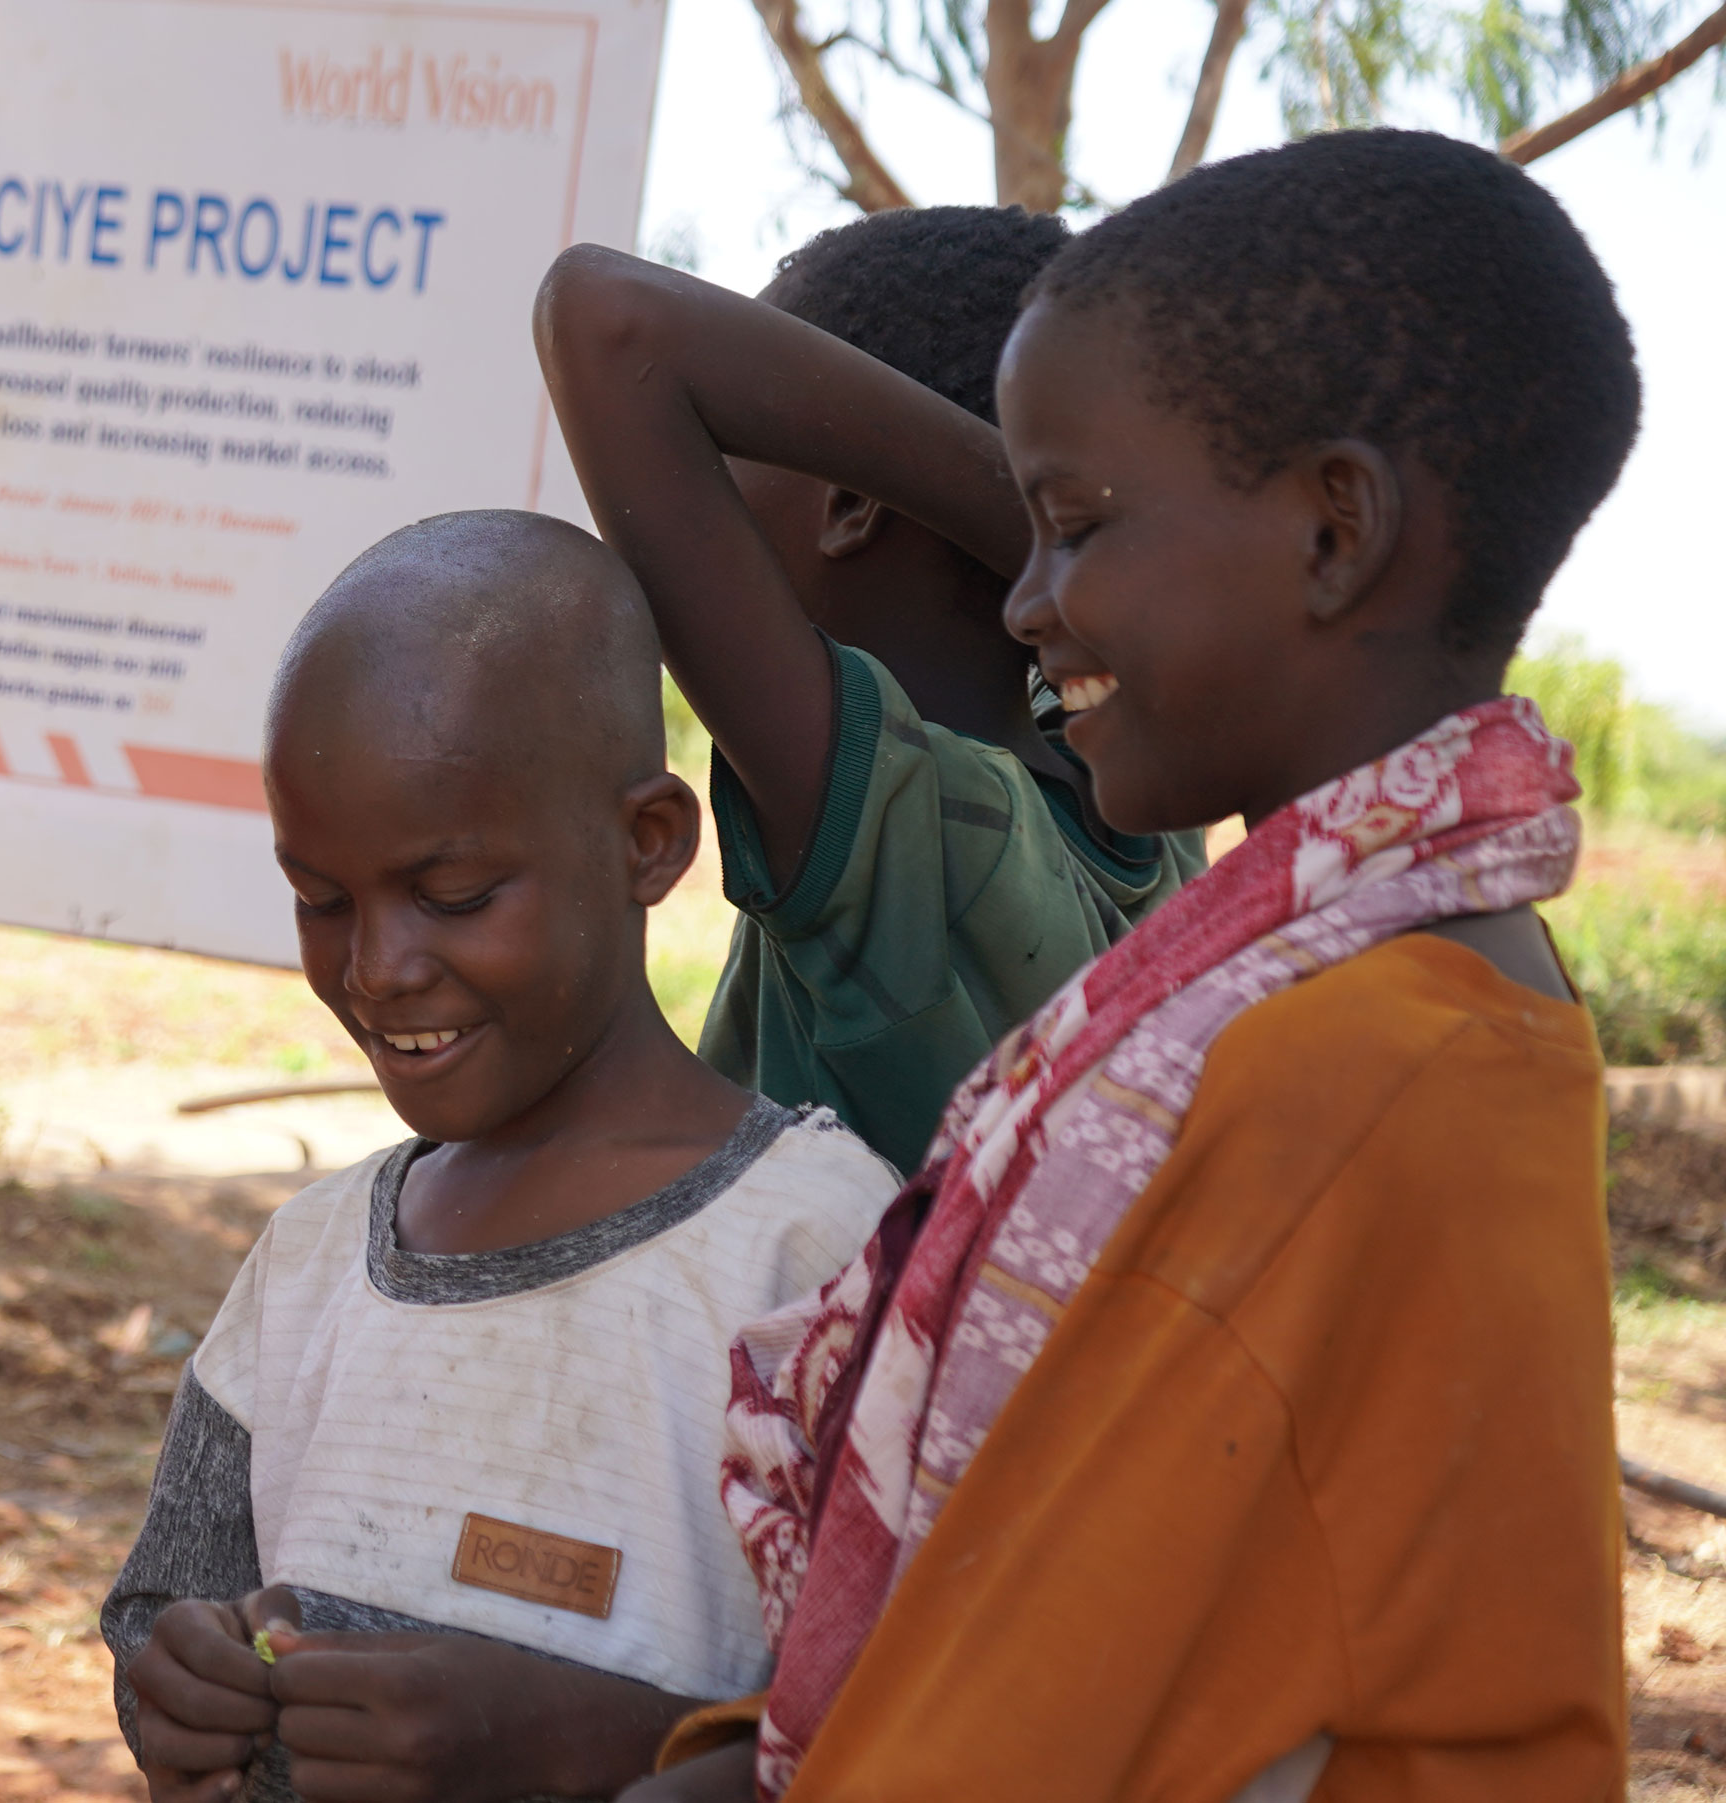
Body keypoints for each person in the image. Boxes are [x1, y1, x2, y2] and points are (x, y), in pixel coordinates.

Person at [625, 129, 1636, 1801]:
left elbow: (1009, 1726)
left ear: (1334, 534)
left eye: (1075, 523)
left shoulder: (1356, 1070)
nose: (1027, 601)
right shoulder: (1400, 983)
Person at [106, 512, 898, 1803]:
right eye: (322, 898)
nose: (377, 965)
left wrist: (588, 1747)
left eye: (455, 893)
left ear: (648, 842)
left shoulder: (808, 1251)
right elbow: (159, 1613)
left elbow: (913, 1721)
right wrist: (180, 1682)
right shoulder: (311, 1266)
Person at [535, 214, 1197, 1171]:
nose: (700, 488)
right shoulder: (1147, 802)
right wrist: (1079, 553)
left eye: (725, 445)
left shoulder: (905, 831)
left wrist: (1043, 539)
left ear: (849, 496)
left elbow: (602, 320)